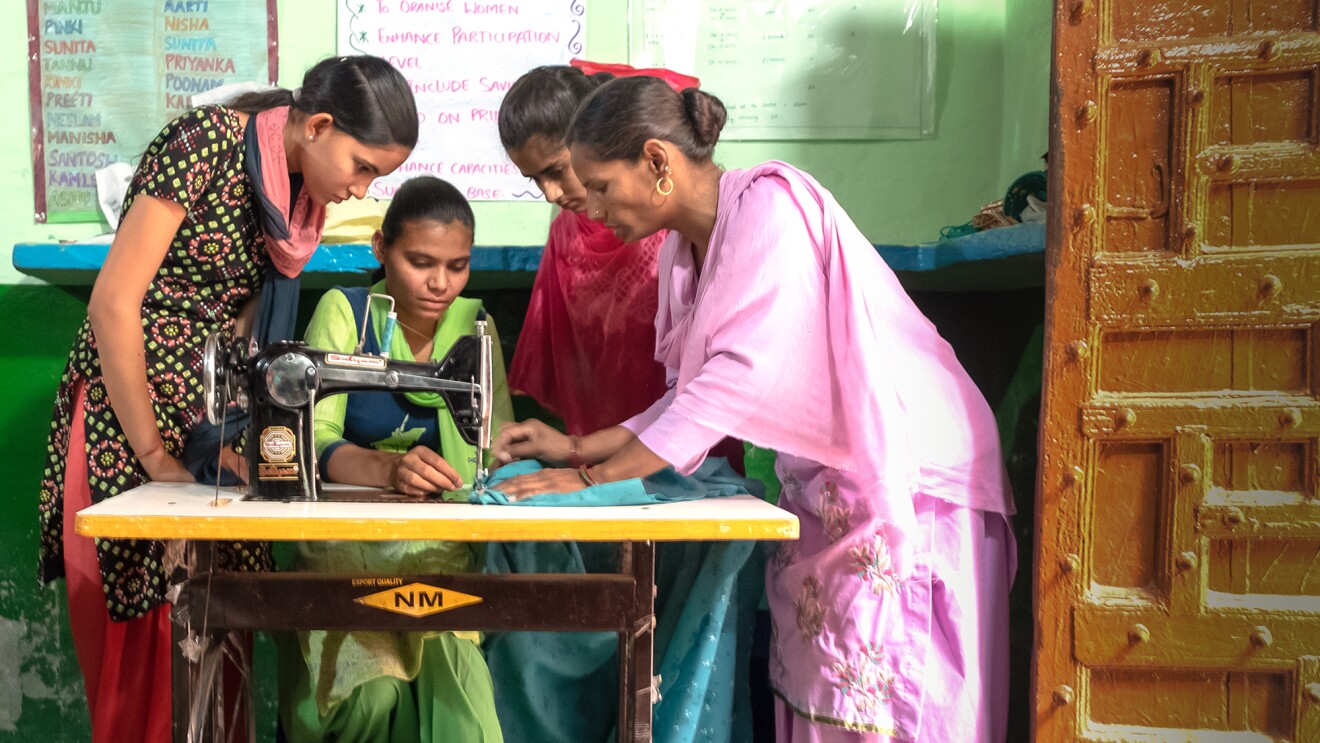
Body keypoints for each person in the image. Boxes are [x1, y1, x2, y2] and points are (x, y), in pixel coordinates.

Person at [494, 76, 1016, 742]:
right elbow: (690, 391)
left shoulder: (770, 207)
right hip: (838, 478)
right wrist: (577, 448)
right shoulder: (686, 253)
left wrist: (593, 484)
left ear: (656, 162)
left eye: (597, 186)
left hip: (911, 476)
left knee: (891, 698)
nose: (586, 206)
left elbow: (732, 384)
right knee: (825, 686)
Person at [36, 55, 417, 743]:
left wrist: (239, 440)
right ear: (320, 125)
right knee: (153, 655)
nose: (361, 189)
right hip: (131, 423)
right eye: (362, 167)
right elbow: (115, 303)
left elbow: (244, 326)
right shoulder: (200, 146)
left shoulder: (294, 202)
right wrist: (154, 453)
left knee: (221, 643)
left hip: (208, 430)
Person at [277, 175, 512, 743]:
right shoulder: (346, 313)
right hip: (344, 550)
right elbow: (312, 435)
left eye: (458, 266)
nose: (441, 283)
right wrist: (387, 470)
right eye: (420, 261)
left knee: (454, 680)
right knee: (370, 696)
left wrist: (515, 459)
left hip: (438, 556)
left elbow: (494, 442)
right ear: (382, 248)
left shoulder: (476, 329)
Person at [497, 62, 684, 436]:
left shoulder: (664, 227)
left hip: (682, 439)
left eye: (556, 171)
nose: (549, 193)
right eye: (534, 179)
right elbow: (567, 366)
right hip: (598, 446)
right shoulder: (565, 235)